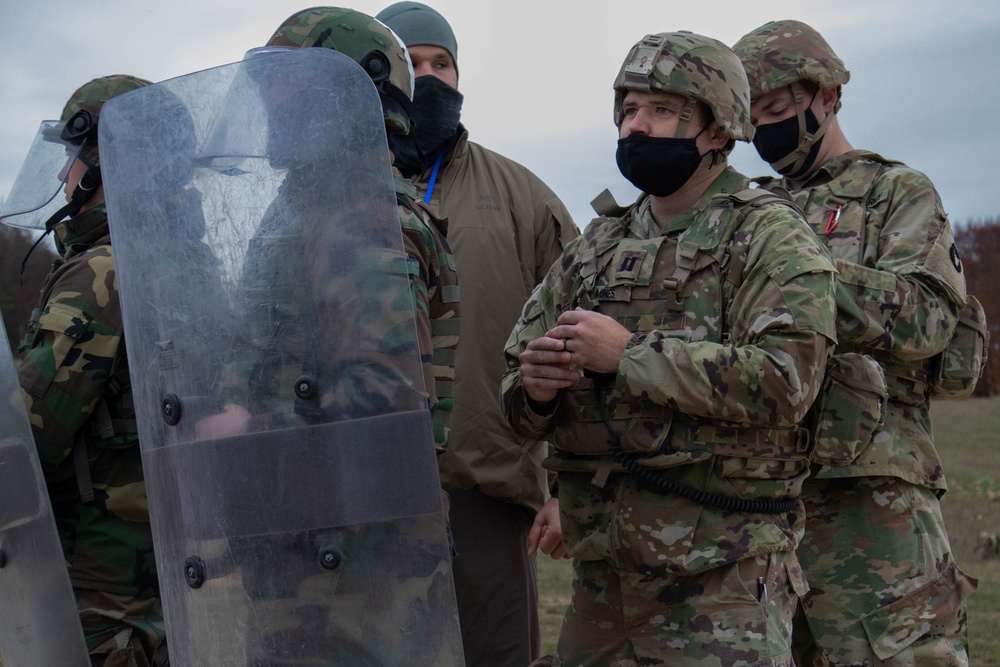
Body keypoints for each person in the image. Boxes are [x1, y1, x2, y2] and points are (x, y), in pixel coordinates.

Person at [500, 31, 838, 666]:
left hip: (722, 580)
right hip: (605, 579)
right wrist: (537, 386)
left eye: (659, 110)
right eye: (628, 110)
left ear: (718, 127)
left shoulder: (767, 236)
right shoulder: (597, 247)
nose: (636, 127)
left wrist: (629, 356)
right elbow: (516, 396)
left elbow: (787, 380)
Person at [733, 20, 978, 666]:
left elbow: (926, 318)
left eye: (779, 111)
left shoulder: (896, 193)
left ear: (827, 97)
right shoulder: (745, 212)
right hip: (762, 508)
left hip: (876, 511)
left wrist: (799, 278)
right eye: (751, 119)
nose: (766, 130)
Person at [373, 3, 578, 664]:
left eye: (443, 64)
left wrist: (567, 489)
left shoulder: (525, 199)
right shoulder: (329, 191)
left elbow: (585, 350)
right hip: (364, 501)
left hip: (487, 495)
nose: (429, 78)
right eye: (412, 63)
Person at [5, 75, 168, 666]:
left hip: (97, 608)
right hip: (157, 594)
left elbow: (25, 433)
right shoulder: (177, 262)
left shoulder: (103, 271)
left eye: (72, 159)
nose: (60, 177)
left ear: (108, 162)